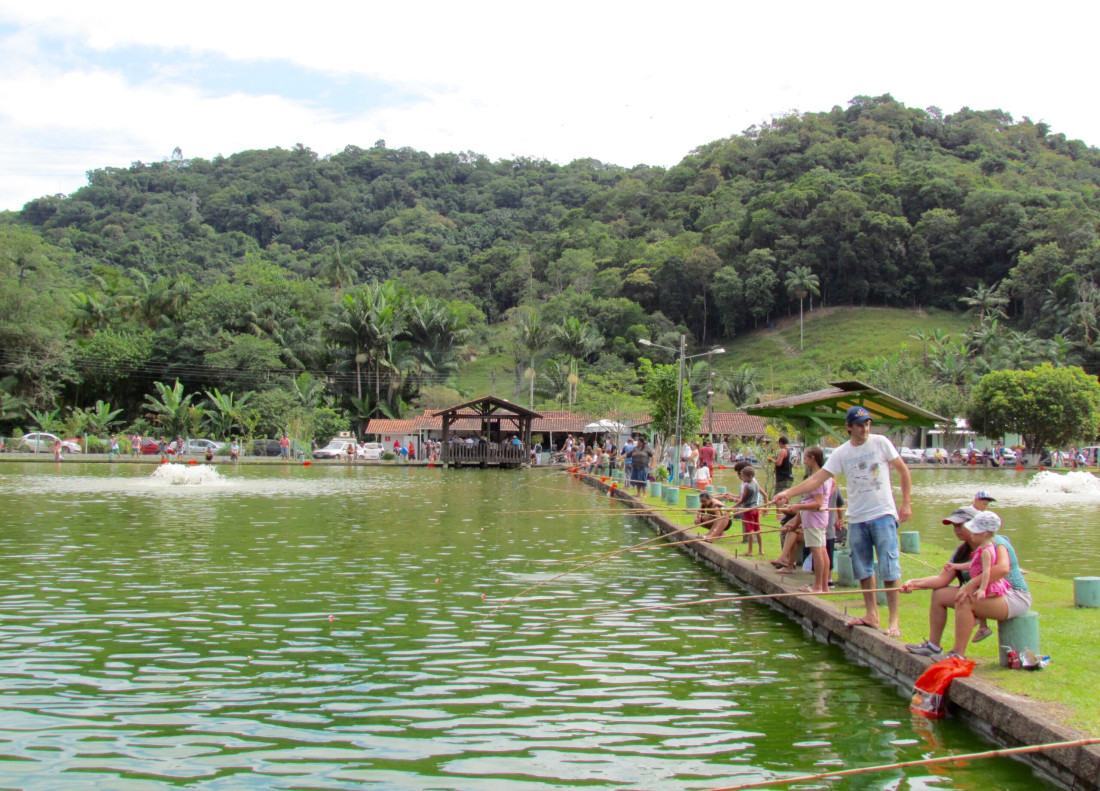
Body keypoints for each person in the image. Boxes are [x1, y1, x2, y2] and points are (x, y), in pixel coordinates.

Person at [773, 406, 912, 637]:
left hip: (883, 513)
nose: (864, 428)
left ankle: (894, 621)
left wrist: (906, 503)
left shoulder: (881, 442)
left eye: (867, 423)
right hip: (857, 517)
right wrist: (789, 492)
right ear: (849, 427)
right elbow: (817, 479)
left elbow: (903, 471)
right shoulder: (842, 453)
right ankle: (871, 614)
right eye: (859, 424)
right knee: (863, 568)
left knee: (889, 566)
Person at [903, 509, 1031, 659]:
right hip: (990, 594)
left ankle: (957, 654)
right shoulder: (963, 550)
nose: (957, 530)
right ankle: (933, 646)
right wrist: (914, 583)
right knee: (940, 595)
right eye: (954, 526)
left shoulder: (997, 543)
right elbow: (942, 580)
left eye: (960, 525)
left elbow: (1003, 568)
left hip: (1013, 596)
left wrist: (971, 584)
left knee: (964, 599)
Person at [782, 446, 832, 592]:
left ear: (812, 459)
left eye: (805, 458)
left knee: (818, 552)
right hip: (819, 519)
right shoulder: (826, 477)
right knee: (822, 551)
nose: (803, 461)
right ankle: (824, 586)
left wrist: (797, 506)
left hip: (814, 520)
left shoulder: (817, 480)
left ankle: (817, 586)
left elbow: (818, 503)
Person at [733, 465, 763, 554]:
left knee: (749, 531)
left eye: (743, 476)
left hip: (748, 510)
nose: (741, 478)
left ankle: (750, 551)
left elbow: (743, 500)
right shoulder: (756, 484)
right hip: (755, 509)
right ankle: (761, 550)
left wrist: (733, 507)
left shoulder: (747, 486)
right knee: (758, 530)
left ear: (749, 476)